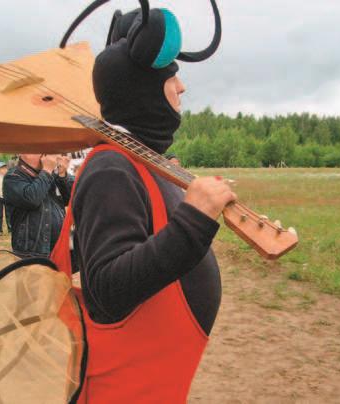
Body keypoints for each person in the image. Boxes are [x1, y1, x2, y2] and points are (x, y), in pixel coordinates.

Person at [53, 9, 235, 402]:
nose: (182, 88)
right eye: (172, 78)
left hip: (152, 381)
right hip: (125, 388)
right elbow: (106, 289)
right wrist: (193, 221)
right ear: (144, 91)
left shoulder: (141, 163)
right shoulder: (110, 167)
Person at [3, 154, 73, 257]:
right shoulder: (13, 177)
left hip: (58, 248)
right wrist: (47, 170)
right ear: (22, 153)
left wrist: (62, 175)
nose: (44, 155)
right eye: (38, 150)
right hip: (32, 252)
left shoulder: (49, 174)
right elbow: (31, 200)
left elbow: (69, 198)